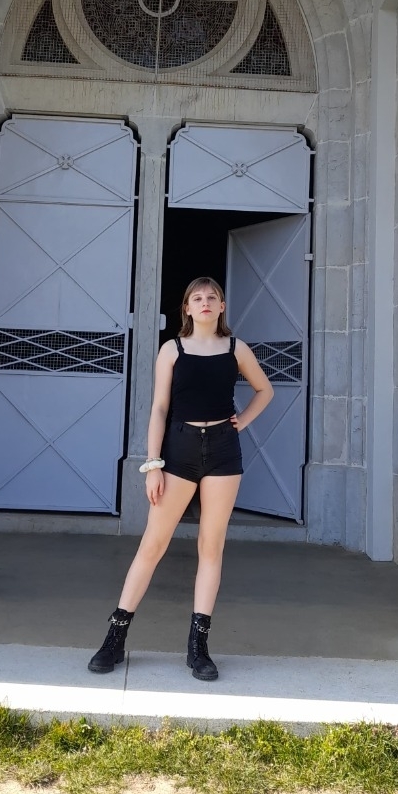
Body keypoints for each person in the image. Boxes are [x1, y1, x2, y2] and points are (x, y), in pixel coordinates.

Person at [87, 276, 274, 681]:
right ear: (187, 308)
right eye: (197, 298)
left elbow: (265, 390)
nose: (205, 302)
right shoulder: (171, 350)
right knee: (153, 544)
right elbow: (159, 408)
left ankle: (198, 648)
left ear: (222, 307)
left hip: (224, 452)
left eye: (212, 297)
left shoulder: (236, 348)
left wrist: (242, 422)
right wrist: (153, 463)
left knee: (211, 546)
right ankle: (114, 639)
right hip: (179, 451)